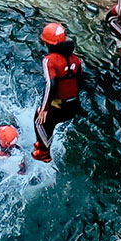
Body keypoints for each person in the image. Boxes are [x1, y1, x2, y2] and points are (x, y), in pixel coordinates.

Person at [32, 22, 84, 164]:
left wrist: (45, 108)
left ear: (48, 43)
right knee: (50, 122)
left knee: (39, 119)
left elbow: (51, 85)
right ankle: (44, 144)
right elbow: (80, 82)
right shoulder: (76, 59)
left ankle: (44, 152)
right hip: (73, 105)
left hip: (60, 106)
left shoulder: (49, 60)